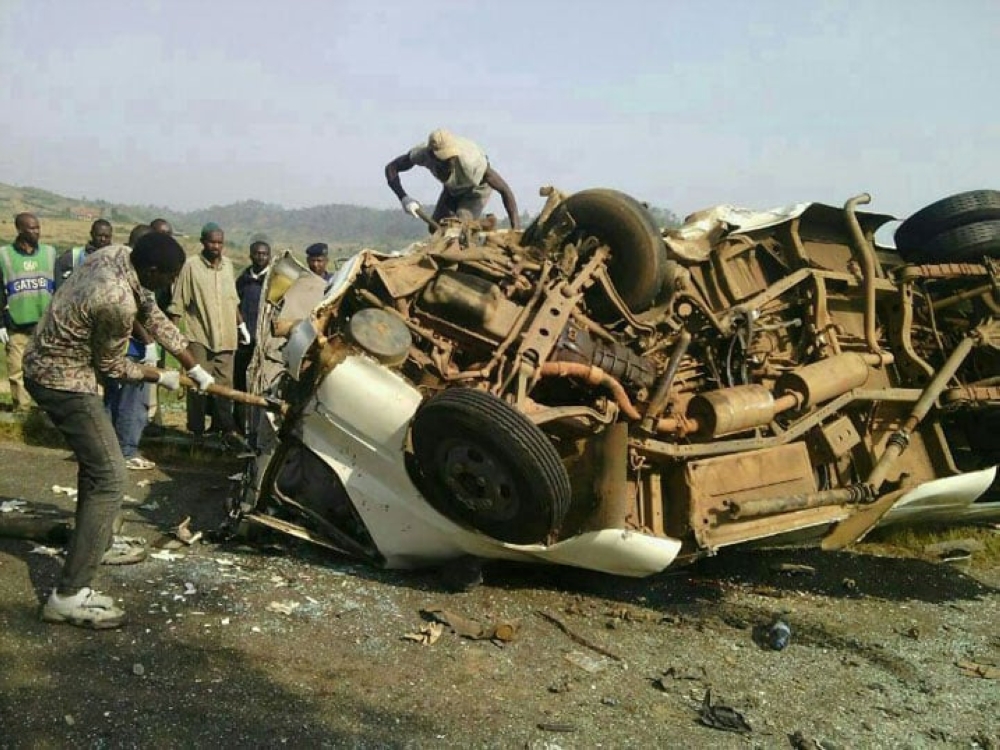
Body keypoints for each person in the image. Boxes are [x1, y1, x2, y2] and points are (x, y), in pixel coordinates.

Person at [23, 232, 216, 629]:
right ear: (151, 270)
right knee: (111, 476)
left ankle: (97, 544)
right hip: (62, 381)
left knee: (98, 469)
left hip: (56, 366)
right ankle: (69, 595)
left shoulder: (119, 255)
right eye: (170, 277)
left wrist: (190, 363)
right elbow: (113, 368)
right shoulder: (114, 299)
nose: (171, 285)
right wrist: (160, 375)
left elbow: (152, 312)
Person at [168, 222, 248, 442]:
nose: (216, 246)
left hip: (228, 337)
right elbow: (178, 304)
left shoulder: (229, 266)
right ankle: (196, 432)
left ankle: (224, 429)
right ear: (203, 242)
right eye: (212, 242)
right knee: (198, 386)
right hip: (200, 336)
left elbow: (233, 301)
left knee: (224, 387)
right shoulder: (191, 267)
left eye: (220, 242)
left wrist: (241, 326)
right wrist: (174, 339)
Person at [102, 224, 162, 470]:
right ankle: (126, 451)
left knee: (112, 399)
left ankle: (108, 450)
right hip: (130, 348)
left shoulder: (120, 265)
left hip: (116, 346)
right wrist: (148, 342)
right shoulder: (132, 270)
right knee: (132, 401)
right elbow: (135, 313)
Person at [385, 128, 520, 231]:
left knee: (458, 228)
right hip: (452, 189)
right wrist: (404, 198)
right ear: (432, 156)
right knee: (436, 228)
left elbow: (505, 190)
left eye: (452, 157)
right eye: (444, 159)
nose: (450, 162)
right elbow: (391, 168)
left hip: (476, 190)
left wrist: (516, 230)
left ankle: (485, 225)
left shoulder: (472, 163)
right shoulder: (422, 154)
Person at [0, 213, 57, 411]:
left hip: (45, 326)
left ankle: (46, 411)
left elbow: (58, 289)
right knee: (16, 370)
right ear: (20, 230)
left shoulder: (49, 253)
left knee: (47, 370)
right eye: (31, 228)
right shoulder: (4, 255)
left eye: (37, 227)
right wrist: (0, 324)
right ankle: (22, 410)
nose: (36, 232)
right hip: (17, 325)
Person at [234, 239, 271, 432]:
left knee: (262, 386)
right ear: (251, 255)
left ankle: (258, 429)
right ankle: (239, 428)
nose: (260, 257)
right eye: (257, 254)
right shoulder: (243, 279)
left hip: (264, 344)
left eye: (264, 254)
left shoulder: (273, 281)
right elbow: (234, 305)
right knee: (240, 383)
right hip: (243, 341)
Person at [54, 219, 113, 290]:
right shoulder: (76, 254)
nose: (103, 239)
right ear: (92, 234)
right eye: (99, 235)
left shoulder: (115, 257)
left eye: (106, 236)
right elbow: (58, 267)